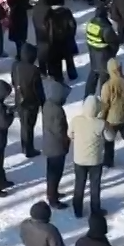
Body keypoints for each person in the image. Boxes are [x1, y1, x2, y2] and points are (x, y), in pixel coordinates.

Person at [69, 96, 108, 218]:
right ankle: (95, 210)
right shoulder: (100, 123)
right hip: (95, 161)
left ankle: (77, 210)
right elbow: (110, 137)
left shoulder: (76, 120)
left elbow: (70, 134)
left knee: (79, 184)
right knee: (94, 186)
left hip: (79, 159)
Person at [42, 76, 72, 208]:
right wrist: (66, 142)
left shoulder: (48, 104)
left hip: (49, 143)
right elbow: (60, 131)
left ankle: (52, 192)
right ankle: (53, 198)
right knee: (56, 173)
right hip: (57, 146)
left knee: (51, 172)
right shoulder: (57, 110)